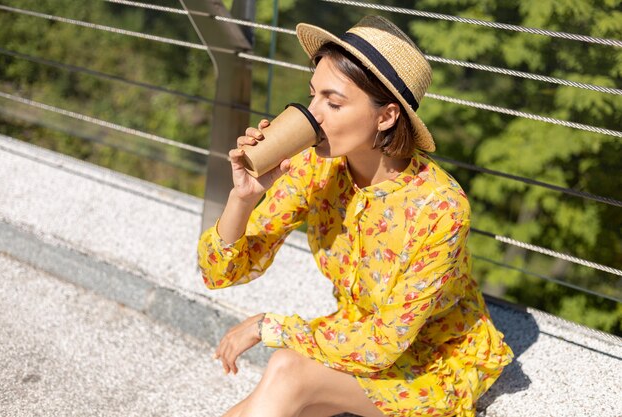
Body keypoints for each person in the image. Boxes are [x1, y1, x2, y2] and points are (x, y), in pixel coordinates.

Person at [197, 15, 513, 417]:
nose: (314, 116)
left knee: (286, 372)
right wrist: (243, 197)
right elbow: (219, 273)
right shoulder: (315, 165)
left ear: (386, 116)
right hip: (353, 337)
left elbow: (384, 344)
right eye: (313, 96)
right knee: (279, 388)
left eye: (334, 102)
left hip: (431, 362)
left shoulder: (440, 208)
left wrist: (269, 327)